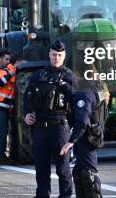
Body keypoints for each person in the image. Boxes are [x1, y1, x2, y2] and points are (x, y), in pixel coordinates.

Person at [24, 40, 75, 198]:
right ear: (49, 55)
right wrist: (27, 114)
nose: (56, 57)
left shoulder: (70, 77)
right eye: (54, 54)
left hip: (60, 127)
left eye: (60, 55)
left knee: (63, 169)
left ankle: (65, 196)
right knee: (41, 168)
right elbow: (27, 98)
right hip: (40, 127)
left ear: (64, 56)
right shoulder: (38, 76)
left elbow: (77, 103)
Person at [59, 77, 108, 198]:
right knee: (79, 173)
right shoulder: (96, 88)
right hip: (91, 134)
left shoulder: (85, 92)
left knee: (88, 175)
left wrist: (71, 140)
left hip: (87, 136)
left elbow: (82, 120)